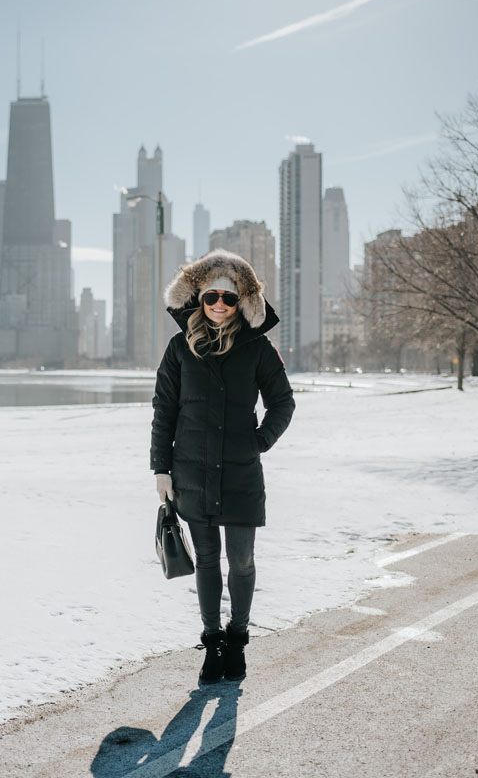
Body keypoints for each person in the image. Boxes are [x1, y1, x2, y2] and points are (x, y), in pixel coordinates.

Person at [150, 249, 295, 683]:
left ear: (242, 303)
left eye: (228, 299)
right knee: (209, 560)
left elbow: (283, 403)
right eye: (211, 295)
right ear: (198, 297)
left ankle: (238, 639)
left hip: (240, 473)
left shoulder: (258, 348)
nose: (218, 304)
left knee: (242, 561)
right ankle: (212, 643)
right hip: (191, 472)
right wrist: (161, 469)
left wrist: (258, 442)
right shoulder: (179, 349)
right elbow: (164, 411)